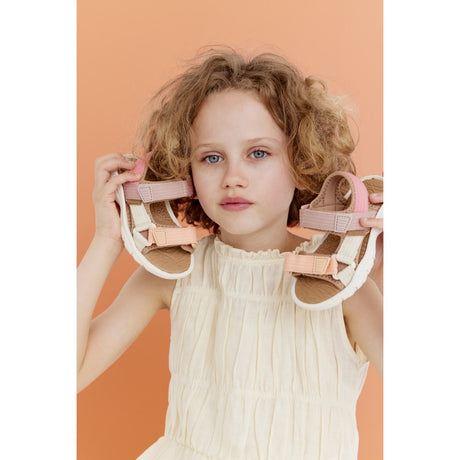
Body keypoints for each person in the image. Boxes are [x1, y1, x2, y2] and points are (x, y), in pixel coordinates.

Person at [77, 49, 383, 460]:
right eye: (212, 157)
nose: (232, 178)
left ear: (301, 160)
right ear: (187, 172)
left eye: (258, 153)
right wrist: (106, 240)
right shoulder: (173, 274)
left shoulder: (342, 284)